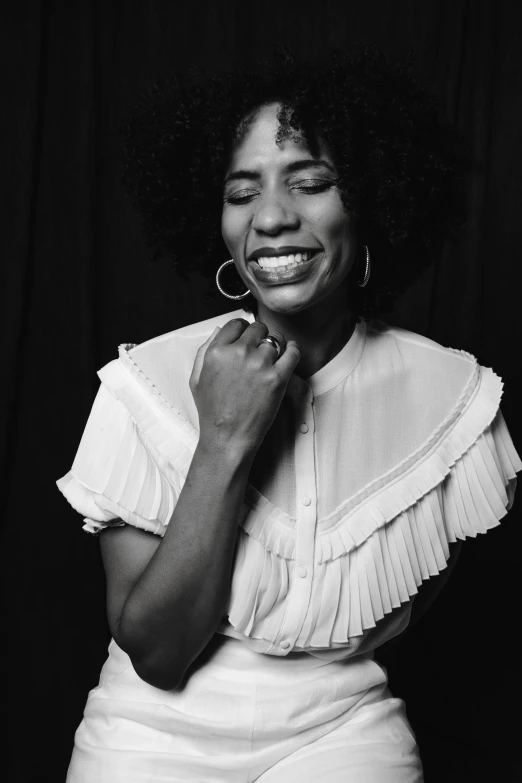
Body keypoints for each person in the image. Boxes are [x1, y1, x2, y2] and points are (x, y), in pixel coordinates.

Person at [57, 45, 521, 782]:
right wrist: (223, 441)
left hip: (342, 730)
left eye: (311, 184)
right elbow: (159, 653)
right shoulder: (145, 383)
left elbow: (394, 618)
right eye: (242, 193)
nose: (271, 217)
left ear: (369, 200)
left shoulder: (452, 401)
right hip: (149, 729)